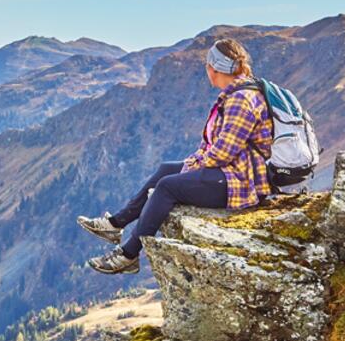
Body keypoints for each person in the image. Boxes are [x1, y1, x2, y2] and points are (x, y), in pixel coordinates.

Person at [79, 38, 275, 274]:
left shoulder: (241, 99)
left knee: (167, 187)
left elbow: (223, 153)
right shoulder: (239, 93)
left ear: (214, 68)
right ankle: (116, 224)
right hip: (231, 171)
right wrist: (193, 164)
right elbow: (218, 149)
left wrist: (195, 165)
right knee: (166, 169)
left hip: (241, 181)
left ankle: (129, 254)